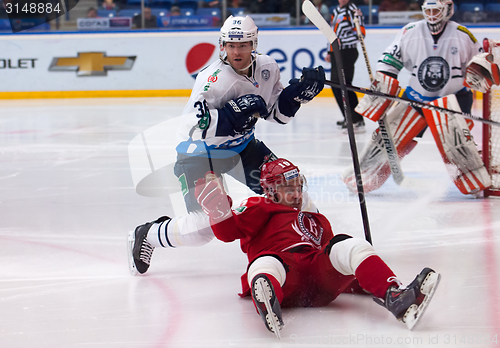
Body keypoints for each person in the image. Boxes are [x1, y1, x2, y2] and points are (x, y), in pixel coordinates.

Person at [128, 15, 325, 275]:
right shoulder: (212, 80)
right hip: (199, 155)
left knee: (290, 193)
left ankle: (317, 251)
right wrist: (229, 117)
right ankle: (148, 234)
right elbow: (188, 129)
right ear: (222, 45)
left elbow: (277, 115)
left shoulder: (267, 67)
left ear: (254, 44)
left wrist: (297, 95)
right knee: (203, 229)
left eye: (243, 45)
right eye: (231, 45)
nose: (236, 51)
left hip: (244, 149)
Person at [194, 158, 441, 335]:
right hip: (285, 274)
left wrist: (367, 277)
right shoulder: (259, 206)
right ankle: (269, 296)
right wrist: (218, 206)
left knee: (347, 244)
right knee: (266, 262)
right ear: (271, 191)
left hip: (317, 280)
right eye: (288, 188)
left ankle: (394, 295)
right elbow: (227, 232)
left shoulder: (316, 219)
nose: (296, 193)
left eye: (297, 187)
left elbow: (334, 260)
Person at [342, 0, 499, 195]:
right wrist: (384, 84)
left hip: (453, 101)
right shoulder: (410, 31)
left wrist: (483, 67)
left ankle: (475, 181)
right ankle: (365, 176)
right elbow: (390, 61)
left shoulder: (462, 34)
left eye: (436, 10)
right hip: (415, 98)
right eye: (429, 10)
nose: (432, 14)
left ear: (447, 10)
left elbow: (481, 62)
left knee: (458, 145)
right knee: (387, 140)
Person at [325, 0, 366, 134]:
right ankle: (348, 117)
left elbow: (361, 34)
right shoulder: (336, 11)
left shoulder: (352, 10)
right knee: (336, 85)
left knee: (344, 84)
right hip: (337, 53)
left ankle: (355, 119)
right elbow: (331, 33)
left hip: (348, 52)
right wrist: (330, 51)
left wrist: (341, 42)